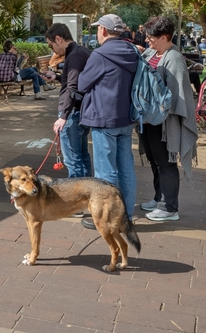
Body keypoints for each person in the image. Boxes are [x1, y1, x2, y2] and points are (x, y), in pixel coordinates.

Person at [77, 14, 139, 227]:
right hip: (126, 117)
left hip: (103, 118)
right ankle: (126, 217)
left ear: (103, 30)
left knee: (105, 174)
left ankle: (107, 220)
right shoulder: (132, 52)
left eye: (97, 29)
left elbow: (82, 84)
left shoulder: (100, 54)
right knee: (126, 169)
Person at [139, 16, 198, 222]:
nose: (148, 41)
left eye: (151, 38)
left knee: (166, 163)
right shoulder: (152, 52)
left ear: (164, 37)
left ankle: (169, 207)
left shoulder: (173, 58)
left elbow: (177, 94)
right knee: (155, 162)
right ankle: (158, 199)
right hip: (149, 122)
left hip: (163, 123)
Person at [45, 23, 92, 179]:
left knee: (73, 160)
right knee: (82, 156)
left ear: (58, 39)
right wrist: (57, 77)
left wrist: (63, 116)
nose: (52, 50)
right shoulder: (82, 52)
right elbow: (75, 82)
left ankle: (76, 199)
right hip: (80, 110)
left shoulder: (75, 55)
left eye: (51, 45)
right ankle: (86, 195)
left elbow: (72, 87)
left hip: (72, 113)